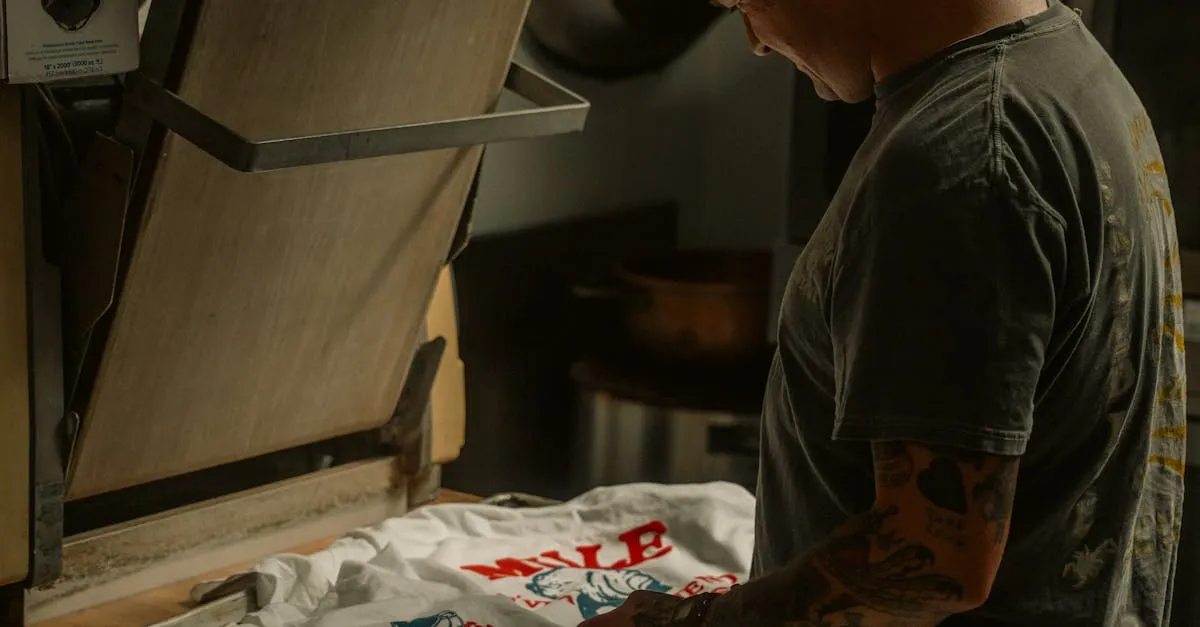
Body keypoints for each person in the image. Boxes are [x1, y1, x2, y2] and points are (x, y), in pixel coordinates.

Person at [581, 0, 1184, 625]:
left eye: (743, 2)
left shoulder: (964, 154)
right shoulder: (1068, 69)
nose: (754, 41)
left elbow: (932, 561)